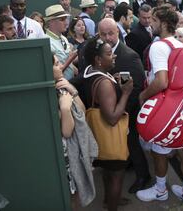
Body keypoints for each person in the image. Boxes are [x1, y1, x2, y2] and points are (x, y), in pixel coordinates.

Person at [136, 6, 183, 204]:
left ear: (162, 23)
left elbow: (161, 81)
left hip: (164, 108)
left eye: (153, 19)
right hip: (182, 107)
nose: (150, 23)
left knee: (158, 152)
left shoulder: (158, 46)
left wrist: (143, 95)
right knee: (182, 148)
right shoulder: (180, 45)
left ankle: (160, 190)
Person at [97, 18, 151, 194]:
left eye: (110, 33)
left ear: (118, 32)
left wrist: (122, 110)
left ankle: (143, 176)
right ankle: (128, 164)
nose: (107, 37)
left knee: (132, 143)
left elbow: (135, 88)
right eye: (103, 34)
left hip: (127, 111)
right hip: (115, 109)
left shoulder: (128, 56)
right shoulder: (101, 51)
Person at [82, 37, 134, 211]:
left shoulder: (91, 71)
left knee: (107, 171)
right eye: (109, 53)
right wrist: (125, 93)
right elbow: (112, 118)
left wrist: (113, 79)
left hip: (99, 138)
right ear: (98, 59)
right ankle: (112, 204)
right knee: (117, 176)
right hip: (111, 137)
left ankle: (109, 200)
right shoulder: (104, 83)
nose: (114, 56)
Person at [52, 55, 97, 210]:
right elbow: (67, 131)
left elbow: (82, 112)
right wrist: (65, 108)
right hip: (65, 157)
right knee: (72, 196)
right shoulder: (50, 94)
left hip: (72, 153)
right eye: (57, 64)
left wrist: (72, 91)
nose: (61, 66)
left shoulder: (61, 87)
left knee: (76, 192)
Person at [45, 4, 76, 80]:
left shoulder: (64, 38)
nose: (66, 23)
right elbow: (54, 73)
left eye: (66, 19)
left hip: (70, 82)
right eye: (62, 19)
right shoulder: (46, 42)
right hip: (60, 86)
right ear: (50, 22)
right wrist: (71, 58)